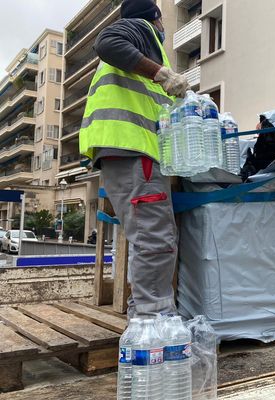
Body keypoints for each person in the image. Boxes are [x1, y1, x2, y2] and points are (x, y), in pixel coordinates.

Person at [79, 0, 190, 318]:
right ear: (156, 17)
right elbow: (107, 42)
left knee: (149, 235)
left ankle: (146, 316)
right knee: (155, 238)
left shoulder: (144, 52)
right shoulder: (141, 29)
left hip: (129, 153)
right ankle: (151, 324)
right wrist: (161, 73)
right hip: (132, 150)